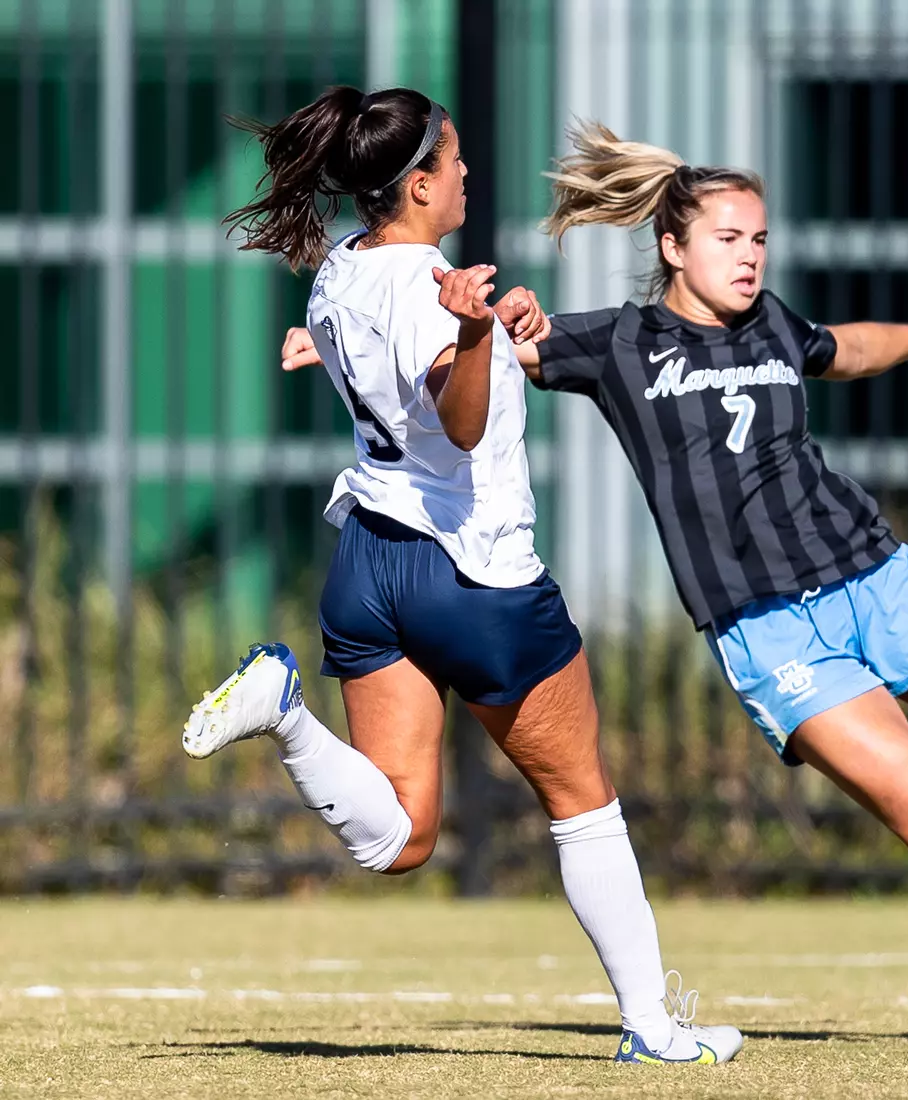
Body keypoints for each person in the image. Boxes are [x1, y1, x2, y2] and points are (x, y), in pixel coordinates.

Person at [278, 121, 908, 1046]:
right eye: (728, 240)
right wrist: (348, 352)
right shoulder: (619, 345)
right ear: (671, 246)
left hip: (881, 577)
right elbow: (465, 370)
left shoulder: (774, 324)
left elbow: (844, 346)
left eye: (758, 241)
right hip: (772, 635)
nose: (749, 259)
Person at [188, 88, 741, 1067]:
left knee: (396, 838)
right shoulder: (427, 287)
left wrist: (495, 321)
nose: (468, 173)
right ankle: (652, 1025)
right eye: (455, 159)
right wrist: (478, 333)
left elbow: (381, 357)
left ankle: (284, 708)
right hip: (473, 575)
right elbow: (456, 419)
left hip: (367, 562)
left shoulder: (341, 270)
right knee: (584, 802)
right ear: (417, 184)